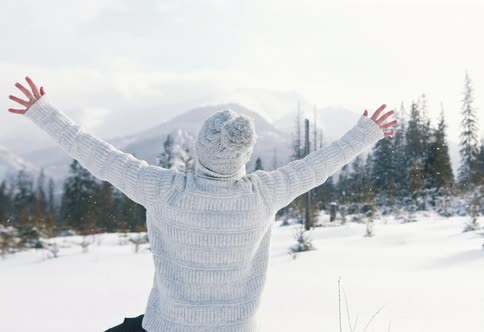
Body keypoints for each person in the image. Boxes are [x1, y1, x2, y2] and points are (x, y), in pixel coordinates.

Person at [8, 76, 397, 332]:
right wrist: (366, 133)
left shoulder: (165, 189)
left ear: (200, 151)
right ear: (243, 157)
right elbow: (318, 165)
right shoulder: (263, 194)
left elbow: (99, 155)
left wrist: (42, 112)